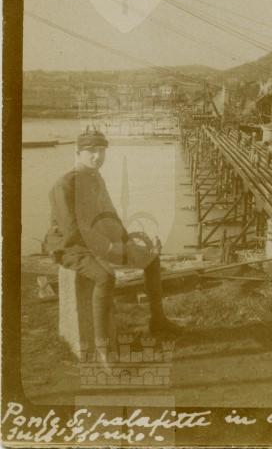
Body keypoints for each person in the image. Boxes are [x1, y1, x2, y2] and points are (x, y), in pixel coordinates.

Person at [45, 128, 182, 359]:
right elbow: (73, 230)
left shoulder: (96, 179)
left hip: (97, 241)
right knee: (104, 277)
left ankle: (158, 320)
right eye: (91, 151)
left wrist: (127, 242)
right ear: (77, 152)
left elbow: (110, 217)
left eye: (101, 151)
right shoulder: (65, 185)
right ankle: (103, 349)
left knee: (150, 259)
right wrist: (109, 248)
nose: (97, 156)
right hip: (69, 246)